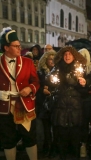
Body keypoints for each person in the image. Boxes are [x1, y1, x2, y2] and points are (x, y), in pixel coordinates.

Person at [0, 27, 40, 160]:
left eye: (19, 46)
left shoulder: (28, 62)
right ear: (6, 48)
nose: (19, 48)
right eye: (16, 46)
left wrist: (29, 88)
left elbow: (36, 81)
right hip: (4, 107)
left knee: (29, 136)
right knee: (8, 138)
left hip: (24, 104)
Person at [45, 46, 87, 160]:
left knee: (75, 140)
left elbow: (84, 92)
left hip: (75, 109)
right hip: (61, 108)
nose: (67, 56)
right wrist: (51, 79)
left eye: (69, 54)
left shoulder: (80, 69)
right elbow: (49, 82)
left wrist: (83, 84)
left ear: (74, 56)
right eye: (65, 54)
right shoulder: (57, 68)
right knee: (62, 140)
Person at [37, 49, 57, 158]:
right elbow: (36, 85)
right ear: (45, 60)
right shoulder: (40, 72)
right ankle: (47, 147)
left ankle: (53, 147)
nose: (52, 61)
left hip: (54, 102)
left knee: (54, 127)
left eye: (54, 58)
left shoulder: (57, 71)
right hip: (43, 103)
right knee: (45, 128)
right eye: (50, 58)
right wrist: (42, 90)